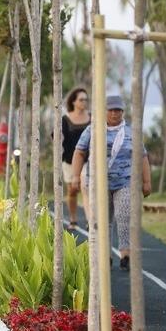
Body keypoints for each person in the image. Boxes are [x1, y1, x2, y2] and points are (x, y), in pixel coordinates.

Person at [70, 95, 151, 271]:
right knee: (102, 220)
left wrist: (146, 181)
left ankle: (125, 255)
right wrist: (75, 176)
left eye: (118, 110)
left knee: (123, 216)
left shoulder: (131, 132)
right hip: (98, 184)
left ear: (123, 111)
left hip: (124, 182)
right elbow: (79, 152)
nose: (115, 113)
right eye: (111, 110)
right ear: (104, 111)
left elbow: (142, 156)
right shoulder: (93, 130)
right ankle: (105, 255)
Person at [61, 88, 91, 229]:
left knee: (87, 187)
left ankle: (89, 219)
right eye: (81, 99)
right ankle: (73, 219)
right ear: (73, 101)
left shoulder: (91, 118)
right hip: (69, 160)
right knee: (72, 190)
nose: (84, 102)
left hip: (88, 160)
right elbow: (58, 136)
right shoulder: (66, 119)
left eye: (86, 99)